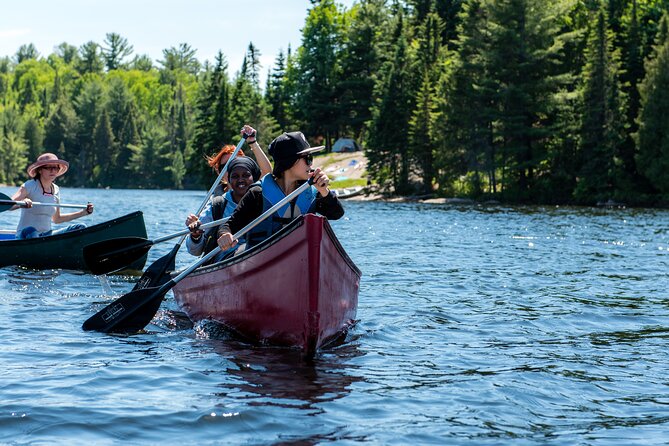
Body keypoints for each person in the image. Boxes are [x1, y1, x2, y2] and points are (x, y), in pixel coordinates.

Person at [216, 131, 344, 252]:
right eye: (307, 158)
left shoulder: (313, 191)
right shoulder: (258, 193)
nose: (310, 165)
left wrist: (324, 191)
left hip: (300, 254)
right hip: (261, 256)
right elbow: (229, 226)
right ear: (290, 162)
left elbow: (337, 213)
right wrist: (225, 234)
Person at [185, 156, 262, 263]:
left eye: (246, 175)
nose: (240, 180)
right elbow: (195, 252)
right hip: (225, 261)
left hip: (260, 254)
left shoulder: (265, 200)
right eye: (235, 176)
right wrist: (195, 235)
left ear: (254, 177)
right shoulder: (217, 205)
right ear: (229, 180)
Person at [9, 152, 94, 239]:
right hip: (25, 235)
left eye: (55, 168)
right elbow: (9, 204)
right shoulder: (29, 185)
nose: (53, 171)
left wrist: (83, 213)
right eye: (49, 167)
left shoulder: (56, 190)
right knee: (31, 230)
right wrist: (22, 203)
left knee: (81, 227)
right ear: (39, 170)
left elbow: (57, 219)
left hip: (46, 235)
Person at [205, 125, 272, 196]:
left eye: (235, 164)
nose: (231, 168)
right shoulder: (214, 200)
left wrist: (252, 142)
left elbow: (267, 172)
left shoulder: (254, 189)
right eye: (225, 166)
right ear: (219, 173)